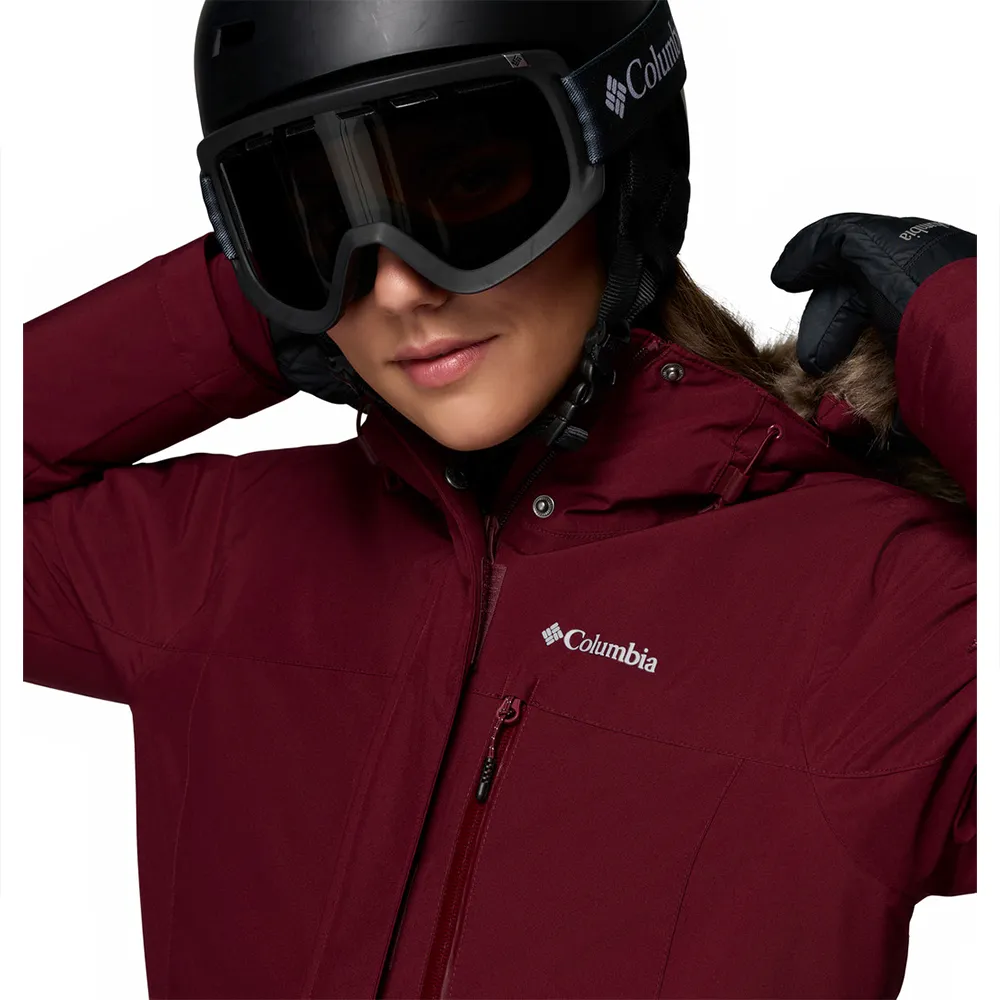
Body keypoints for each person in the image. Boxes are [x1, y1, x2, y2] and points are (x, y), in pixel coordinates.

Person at [23, 1, 976, 997]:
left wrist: (969, 339)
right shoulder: (220, 559)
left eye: (469, 185)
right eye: (320, 222)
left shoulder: (873, 604)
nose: (396, 288)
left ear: (622, 160)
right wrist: (245, 303)